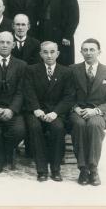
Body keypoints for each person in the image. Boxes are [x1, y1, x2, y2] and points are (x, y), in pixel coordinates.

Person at [69, 38, 106, 186]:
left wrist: (96, 111)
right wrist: (76, 108)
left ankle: (93, 168)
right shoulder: (72, 70)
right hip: (77, 110)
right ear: (81, 52)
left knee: (94, 125)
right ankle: (83, 169)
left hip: (98, 112)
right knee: (79, 125)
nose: (88, 53)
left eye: (92, 50)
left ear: (99, 52)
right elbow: (66, 95)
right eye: (85, 50)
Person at [23, 41, 74, 182]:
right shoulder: (31, 70)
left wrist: (55, 113)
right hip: (36, 111)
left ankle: (56, 169)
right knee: (35, 128)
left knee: (58, 128)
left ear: (58, 53)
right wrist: (36, 109)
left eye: (52, 52)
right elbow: (28, 92)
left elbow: (69, 97)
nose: (49, 55)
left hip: (56, 112)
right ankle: (42, 170)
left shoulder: (66, 72)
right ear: (41, 54)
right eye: (45, 52)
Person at [0, 31, 27, 173]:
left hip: (11, 108)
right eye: (2, 42)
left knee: (19, 130)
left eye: (8, 42)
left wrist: (12, 110)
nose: (5, 45)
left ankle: (0, 153)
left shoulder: (21, 65)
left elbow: (21, 91)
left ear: (13, 45)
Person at [37, 0, 80, 66]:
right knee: (46, 61)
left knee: (62, 62)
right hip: (45, 34)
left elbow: (74, 18)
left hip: (62, 36)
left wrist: (67, 36)